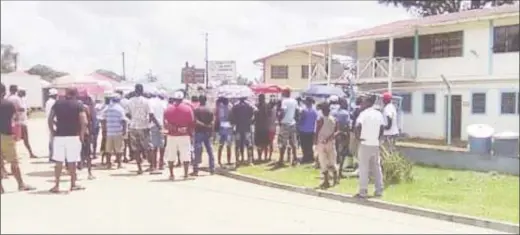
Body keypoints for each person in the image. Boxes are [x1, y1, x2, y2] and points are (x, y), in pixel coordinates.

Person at [48, 87, 88, 193]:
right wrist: (82, 135)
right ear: (76, 94)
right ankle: (73, 184)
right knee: (72, 161)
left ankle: (56, 185)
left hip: (59, 135)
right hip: (73, 136)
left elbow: (50, 119)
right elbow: (84, 122)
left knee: (58, 162)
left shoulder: (57, 104)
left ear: (66, 94)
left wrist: (53, 132)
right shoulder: (78, 105)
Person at [0, 83, 35, 194]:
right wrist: (16, 134)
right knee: (14, 162)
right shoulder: (8, 104)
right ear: (4, 92)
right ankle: (20, 184)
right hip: (6, 135)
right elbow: (15, 119)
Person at [126, 84, 161, 175]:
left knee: (136, 148)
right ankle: (152, 167)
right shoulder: (146, 101)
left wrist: (133, 118)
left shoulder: (129, 101)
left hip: (133, 127)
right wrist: (158, 125)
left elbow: (127, 114)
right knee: (148, 147)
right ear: (142, 91)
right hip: (144, 126)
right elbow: (151, 115)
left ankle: (139, 168)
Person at [355, 95, 385, 198]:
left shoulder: (363, 114)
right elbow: (382, 128)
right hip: (375, 144)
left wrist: (358, 137)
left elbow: (357, 126)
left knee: (364, 167)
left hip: (365, 143)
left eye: (364, 102)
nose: (362, 104)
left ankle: (363, 191)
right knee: (377, 167)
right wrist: (378, 138)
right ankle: (379, 190)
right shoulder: (378, 114)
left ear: (368, 102)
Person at [164, 91, 194, 180]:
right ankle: (185, 174)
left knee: (171, 155)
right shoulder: (188, 109)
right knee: (185, 154)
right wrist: (189, 132)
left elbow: (166, 123)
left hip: (172, 135)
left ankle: (171, 174)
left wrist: (175, 129)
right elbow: (192, 122)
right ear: (182, 99)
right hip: (184, 135)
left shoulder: (168, 109)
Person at [7, 85, 36, 159]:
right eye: (23, 92)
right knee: (24, 138)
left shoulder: (11, 98)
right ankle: (30, 153)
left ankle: (12, 155)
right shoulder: (16, 99)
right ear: (18, 91)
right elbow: (21, 109)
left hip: (15, 121)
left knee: (14, 139)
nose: (25, 93)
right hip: (20, 122)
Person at [315, 103, 339, 189]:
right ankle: (335, 178)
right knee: (332, 160)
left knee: (323, 161)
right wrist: (330, 138)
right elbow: (336, 131)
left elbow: (317, 131)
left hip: (321, 142)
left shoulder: (320, 120)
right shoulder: (334, 119)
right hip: (330, 142)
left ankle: (326, 181)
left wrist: (315, 142)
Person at [100, 94, 127, 169]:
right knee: (119, 149)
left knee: (108, 149)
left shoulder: (107, 108)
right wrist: (124, 130)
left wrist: (104, 130)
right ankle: (119, 164)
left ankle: (108, 164)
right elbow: (123, 120)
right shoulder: (120, 109)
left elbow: (103, 120)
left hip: (109, 132)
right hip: (117, 131)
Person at [192, 95, 215, 175]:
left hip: (199, 132)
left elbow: (195, 121)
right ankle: (212, 168)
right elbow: (212, 122)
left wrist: (204, 125)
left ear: (199, 100)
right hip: (208, 132)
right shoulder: (210, 110)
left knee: (197, 150)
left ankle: (196, 170)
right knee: (210, 150)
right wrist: (211, 130)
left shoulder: (197, 110)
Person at [230, 97, 255, 165]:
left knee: (238, 145)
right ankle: (249, 160)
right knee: (248, 144)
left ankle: (238, 160)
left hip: (238, 128)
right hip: (247, 127)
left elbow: (232, 117)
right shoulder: (249, 106)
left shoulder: (235, 106)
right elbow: (252, 116)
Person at [277, 89, 299, 166]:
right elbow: (297, 112)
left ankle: (281, 159)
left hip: (285, 123)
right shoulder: (294, 101)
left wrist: (279, 120)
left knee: (283, 142)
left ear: (285, 93)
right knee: (293, 142)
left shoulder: (284, 101)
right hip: (292, 123)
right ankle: (295, 159)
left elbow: (283, 111)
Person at [331, 97, 351, 178]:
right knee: (342, 154)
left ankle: (334, 171)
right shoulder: (345, 113)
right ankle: (339, 172)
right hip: (343, 135)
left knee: (335, 154)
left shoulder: (333, 112)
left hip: (334, 134)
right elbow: (348, 125)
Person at [149, 92, 167, 170]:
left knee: (154, 146)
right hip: (162, 125)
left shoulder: (151, 102)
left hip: (154, 126)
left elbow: (151, 115)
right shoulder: (164, 103)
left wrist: (157, 125)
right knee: (162, 145)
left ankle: (154, 165)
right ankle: (161, 163)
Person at [298, 97, 318, 164]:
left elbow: (301, 119)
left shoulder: (304, 110)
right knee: (310, 144)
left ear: (308, 102)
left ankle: (305, 157)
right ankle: (310, 157)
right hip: (311, 130)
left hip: (303, 129)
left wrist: (298, 125)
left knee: (304, 145)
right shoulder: (315, 111)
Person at [215, 97, 233, 166]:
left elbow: (218, 118)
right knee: (228, 145)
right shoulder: (230, 107)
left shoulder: (220, 108)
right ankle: (228, 161)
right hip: (228, 128)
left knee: (221, 145)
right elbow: (231, 117)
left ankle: (219, 161)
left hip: (222, 128)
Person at [254, 94, 271, 162]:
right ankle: (265, 157)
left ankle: (260, 157)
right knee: (265, 143)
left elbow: (254, 116)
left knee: (259, 143)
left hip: (259, 127)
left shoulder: (256, 106)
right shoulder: (267, 105)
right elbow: (269, 115)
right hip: (265, 127)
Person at [45, 88, 58, 161]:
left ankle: (51, 155)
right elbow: (52, 115)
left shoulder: (48, 102)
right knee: (54, 140)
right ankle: (53, 156)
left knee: (51, 140)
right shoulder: (53, 102)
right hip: (53, 122)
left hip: (49, 122)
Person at [266, 97, 278, 161]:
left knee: (269, 143)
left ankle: (269, 156)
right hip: (273, 128)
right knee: (270, 142)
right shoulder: (275, 110)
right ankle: (269, 156)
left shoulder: (271, 111)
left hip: (269, 128)